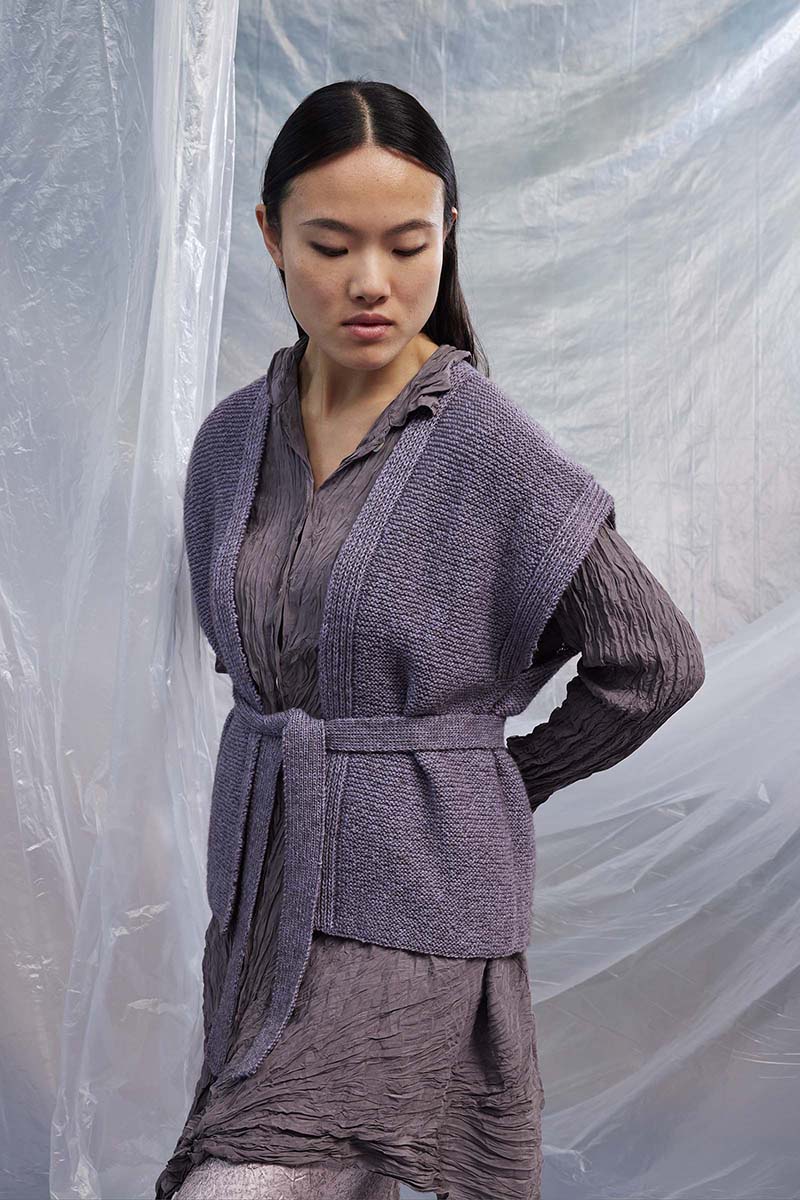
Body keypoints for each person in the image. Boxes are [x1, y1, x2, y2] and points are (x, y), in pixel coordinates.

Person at [155, 79, 705, 1200]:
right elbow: (249, 657)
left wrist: (499, 781)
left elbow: (654, 660)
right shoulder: (227, 443)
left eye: (408, 245)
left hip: (415, 907)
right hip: (260, 897)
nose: (372, 281)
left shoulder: (485, 447)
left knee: (244, 1182)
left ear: (448, 235)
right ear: (270, 236)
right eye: (330, 245)